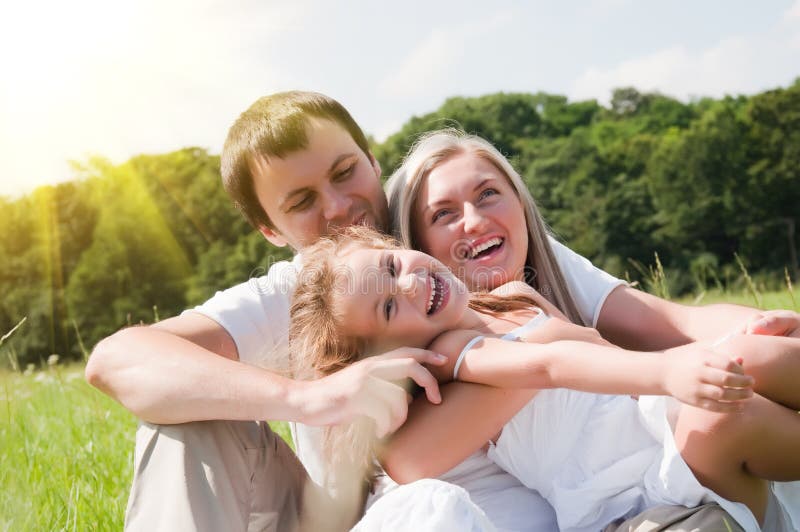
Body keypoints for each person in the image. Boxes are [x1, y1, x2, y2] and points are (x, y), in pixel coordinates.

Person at [84, 93, 798, 530]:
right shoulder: (306, 297)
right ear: (271, 230)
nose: (338, 209)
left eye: (344, 173)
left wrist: (742, 332)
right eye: (301, 202)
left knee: (751, 367)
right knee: (179, 425)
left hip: (574, 494)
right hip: (386, 516)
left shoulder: (454, 240)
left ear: (371, 158)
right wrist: (306, 396)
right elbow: (116, 358)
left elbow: (664, 317)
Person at [288, 224, 800, 531]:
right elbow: (550, 367)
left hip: (647, 423)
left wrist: (709, 352)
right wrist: (669, 369)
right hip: (622, 485)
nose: (411, 282)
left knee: (746, 356)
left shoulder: (514, 296)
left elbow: (600, 350)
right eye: (388, 306)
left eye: (393, 263)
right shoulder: (454, 354)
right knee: (725, 415)